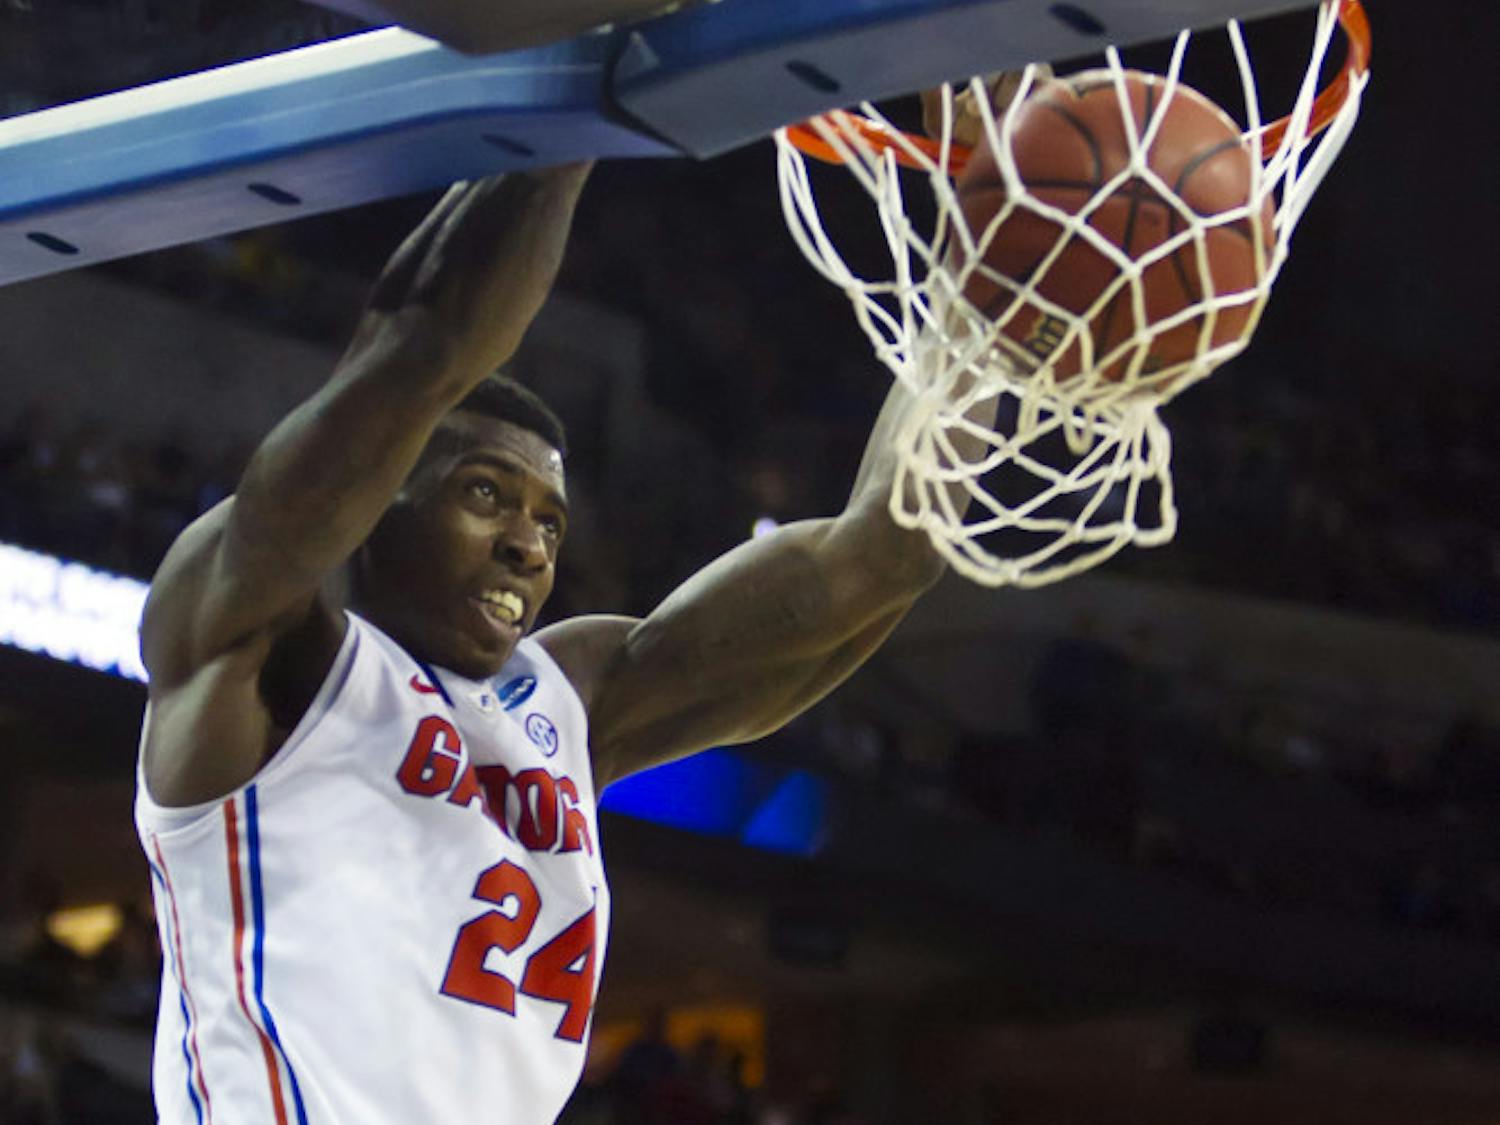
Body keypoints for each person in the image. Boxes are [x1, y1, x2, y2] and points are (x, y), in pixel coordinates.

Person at [134, 139, 980, 1119]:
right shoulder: (263, 652)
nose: (527, 546)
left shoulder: (572, 700)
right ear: (382, 502)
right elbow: (415, 357)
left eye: (548, 520)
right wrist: (568, 131)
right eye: (486, 494)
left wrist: (986, 303)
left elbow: (880, 556)